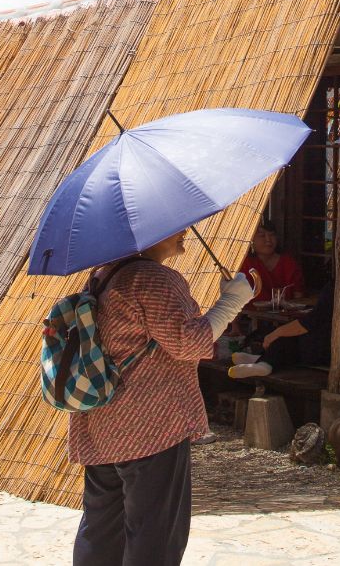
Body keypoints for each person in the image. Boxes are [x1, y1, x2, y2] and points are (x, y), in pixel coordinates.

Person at [70, 229, 255, 566]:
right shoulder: (152, 278)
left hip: (102, 421)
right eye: (174, 227)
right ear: (149, 232)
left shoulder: (105, 274)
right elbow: (189, 343)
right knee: (154, 533)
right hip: (151, 426)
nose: (184, 230)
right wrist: (232, 302)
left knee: (101, 528)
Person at [259, 280, 334, 368]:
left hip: (324, 349)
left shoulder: (333, 288)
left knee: (282, 340)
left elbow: (308, 323)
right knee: (273, 333)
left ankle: (265, 366)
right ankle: (263, 363)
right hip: (326, 344)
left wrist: (275, 334)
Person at [238, 224, 304, 305]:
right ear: (251, 240)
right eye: (262, 236)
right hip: (250, 312)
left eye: (272, 235)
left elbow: (298, 295)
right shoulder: (245, 263)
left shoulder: (288, 263)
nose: (268, 240)